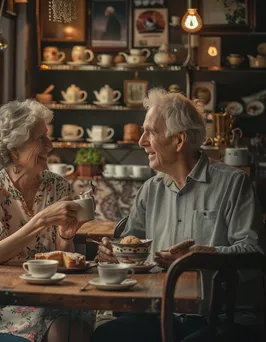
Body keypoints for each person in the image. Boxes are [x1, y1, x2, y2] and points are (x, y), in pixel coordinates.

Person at [92, 88, 266, 342]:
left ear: (179, 140)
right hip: (161, 312)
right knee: (104, 336)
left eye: (151, 132)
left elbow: (255, 252)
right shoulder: (150, 190)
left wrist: (202, 256)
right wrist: (111, 254)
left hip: (222, 317)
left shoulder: (234, 184)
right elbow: (130, 252)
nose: (141, 141)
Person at [0, 99, 94, 342]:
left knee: (76, 320)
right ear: (15, 149)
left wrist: (66, 235)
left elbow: (63, 256)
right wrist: (41, 220)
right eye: (40, 138)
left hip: (47, 293)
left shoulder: (56, 185)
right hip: (2, 301)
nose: (50, 144)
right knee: (60, 324)